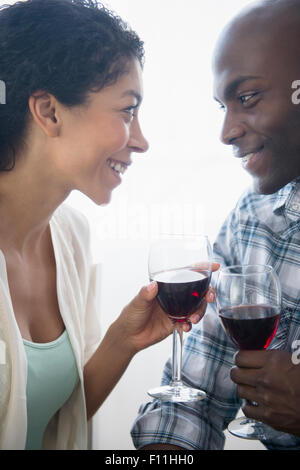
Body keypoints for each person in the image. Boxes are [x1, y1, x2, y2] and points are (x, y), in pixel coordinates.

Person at [0, 0, 218, 450]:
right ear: (49, 112)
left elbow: (54, 423)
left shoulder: (70, 236)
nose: (140, 141)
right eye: (127, 111)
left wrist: (123, 339)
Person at [131, 0, 300, 450]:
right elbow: (192, 399)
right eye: (223, 106)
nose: (226, 132)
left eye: (246, 98)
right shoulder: (253, 219)